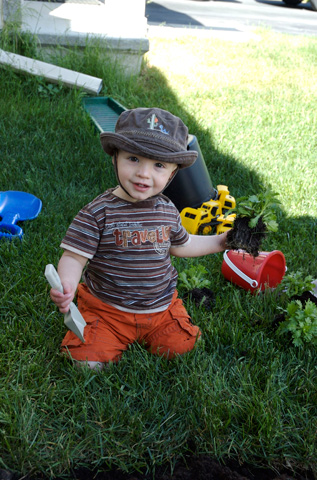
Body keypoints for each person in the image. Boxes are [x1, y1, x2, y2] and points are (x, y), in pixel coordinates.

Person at [50, 107, 228, 370]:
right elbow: (74, 256)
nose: (144, 173)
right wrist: (66, 283)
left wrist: (221, 241)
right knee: (85, 363)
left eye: (158, 165)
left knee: (184, 348)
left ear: (172, 173)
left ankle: (163, 327)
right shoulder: (98, 212)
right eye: (133, 159)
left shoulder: (168, 209)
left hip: (160, 309)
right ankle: (104, 337)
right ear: (115, 159)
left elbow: (183, 245)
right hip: (107, 309)